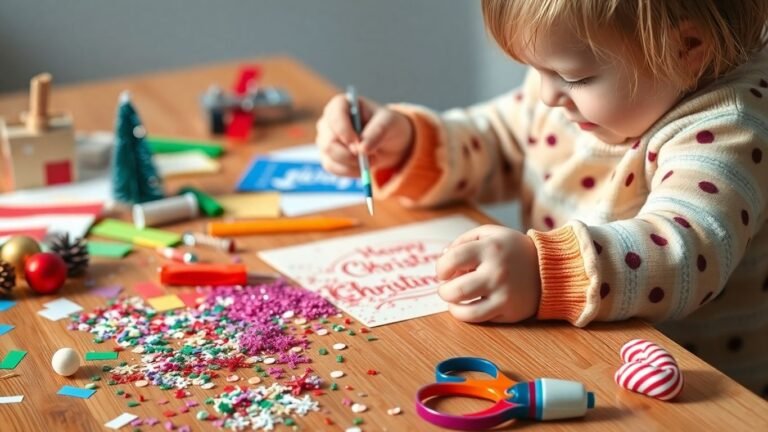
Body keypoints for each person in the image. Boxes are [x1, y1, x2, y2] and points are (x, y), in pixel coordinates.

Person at [315, 0, 768, 397]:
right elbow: (493, 139)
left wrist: (544, 271)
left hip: (700, 396)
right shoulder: (570, 94)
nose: (547, 94)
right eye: (533, 68)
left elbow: (686, 250)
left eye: (573, 76)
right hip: (581, 360)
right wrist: (407, 143)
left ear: (686, 48)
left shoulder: (728, 125)